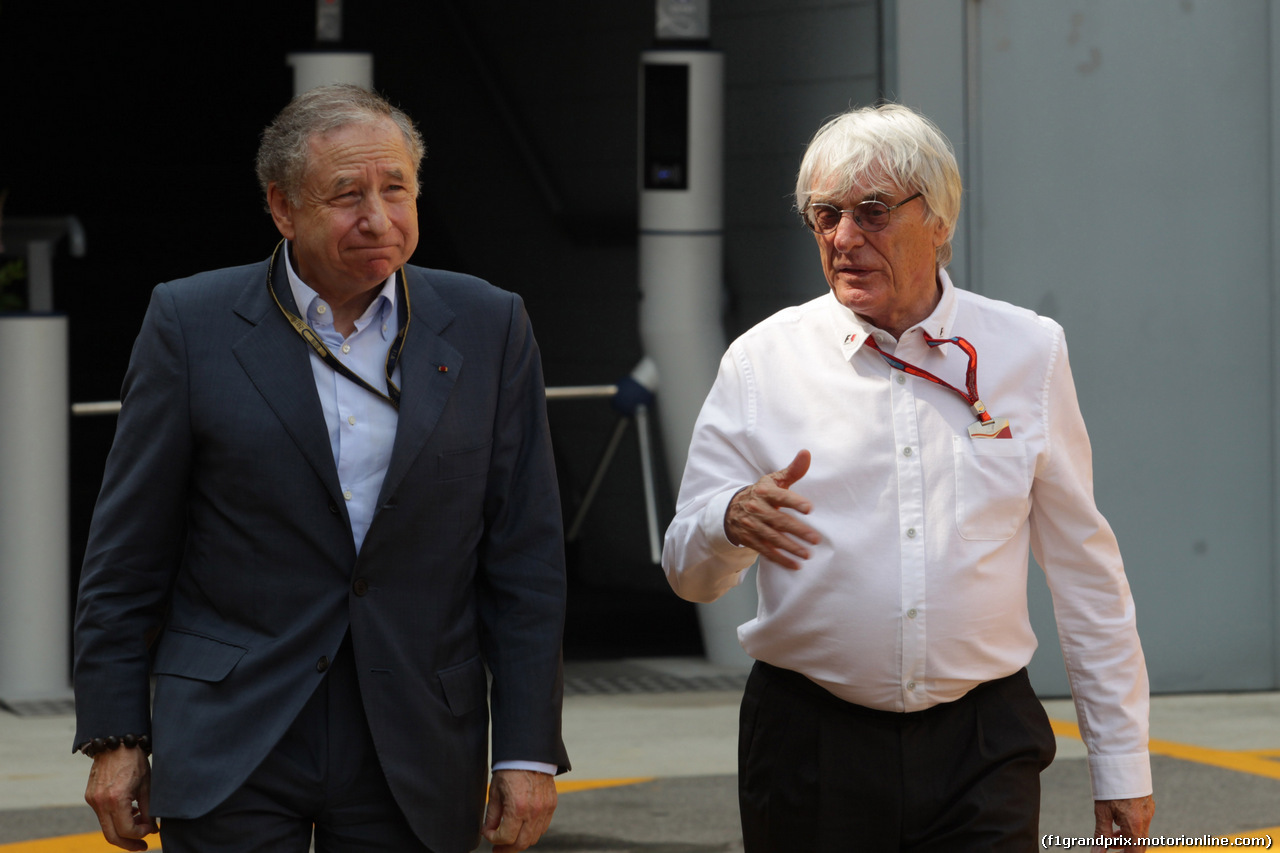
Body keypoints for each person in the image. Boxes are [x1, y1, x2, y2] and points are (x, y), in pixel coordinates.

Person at [72, 84, 568, 853]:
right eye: (346, 195)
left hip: (415, 730)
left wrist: (528, 749)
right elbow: (127, 548)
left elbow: (525, 557)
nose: (378, 216)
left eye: (395, 188)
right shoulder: (190, 321)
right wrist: (114, 731)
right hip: (233, 727)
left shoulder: (489, 322)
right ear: (281, 206)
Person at [662, 103, 1154, 851]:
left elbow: (1087, 571)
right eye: (825, 215)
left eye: (873, 211)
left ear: (940, 221)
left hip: (982, 746)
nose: (844, 238)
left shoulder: (1028, 350)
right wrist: (725, 521)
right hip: (810, 743)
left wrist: (1121, 763)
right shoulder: (762, 362)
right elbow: (687, 574)